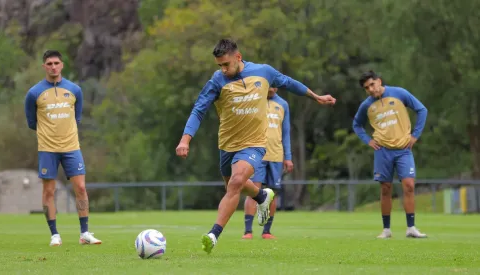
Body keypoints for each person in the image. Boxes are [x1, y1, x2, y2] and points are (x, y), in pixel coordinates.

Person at [175, 38, 336, 254]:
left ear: (238, 58)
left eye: (226, 64)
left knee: (236, 182)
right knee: (236, 187)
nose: (223, 69)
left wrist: (315, 96)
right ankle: (262, 196)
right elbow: (198, 110)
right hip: (227, 144)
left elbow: (289, 82)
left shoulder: (263, 72)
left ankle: (213, 234)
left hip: (255, 144)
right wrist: (185, 139)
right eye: (219, 66)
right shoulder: (217, 81)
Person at [25, 50, 102, 246]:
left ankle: (84, 233)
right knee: (49, 192)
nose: (53, 67)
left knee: (81, 188)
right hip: (47, 149)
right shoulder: (34, 93)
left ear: (62, 65)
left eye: (56, 63)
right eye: (49, 63)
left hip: (71, 147)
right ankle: (54, 234)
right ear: (44, 66)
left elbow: (76, 118)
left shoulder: (75, 90)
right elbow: (32, 123)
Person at [352, 70, 428, 239]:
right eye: (366, 88)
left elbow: (422, 110)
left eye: (372, 84)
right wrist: (368, 140)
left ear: (379, 81)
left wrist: (415, 135)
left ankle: (411, 228)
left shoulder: (399, 93)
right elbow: (357, 125)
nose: (371, 89)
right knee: (385, 189)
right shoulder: (366, 105)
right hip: (382, 151)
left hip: (403, 150)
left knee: (409, 185)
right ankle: (386, 229)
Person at [242, 87, 293, 240]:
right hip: (257, 154)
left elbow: (286, 132)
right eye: (269, 84)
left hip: (276, 155)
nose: (271, 87)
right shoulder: (255, 101)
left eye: (274, 84)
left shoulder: (283, 104)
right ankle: (248, 232)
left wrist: (288, 156)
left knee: (273, 194)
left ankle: (267, 231)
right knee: (253, 190)